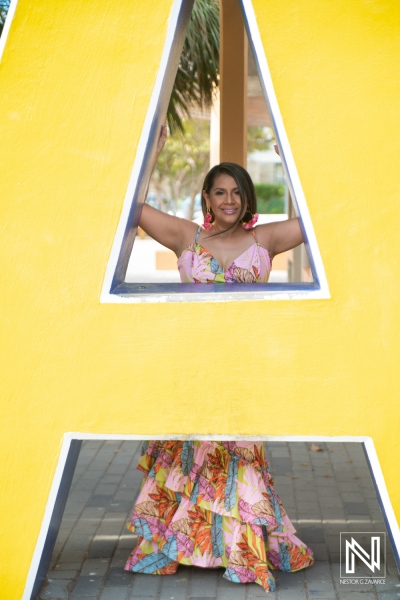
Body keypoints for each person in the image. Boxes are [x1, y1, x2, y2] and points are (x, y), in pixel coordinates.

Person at [124, 125, 314, 593]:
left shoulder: (266, 238)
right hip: (191, 365)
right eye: (220, 192)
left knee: (239, 455)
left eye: (237, 193)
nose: (229, 200)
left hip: (245, 369)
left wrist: (291, 161)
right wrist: (154, 153)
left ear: (247, 200)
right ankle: (180, 547)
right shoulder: (185, 237)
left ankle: (241, 553)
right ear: (206, 197)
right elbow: (130, 208)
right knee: (189, 453)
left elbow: (317, 222)